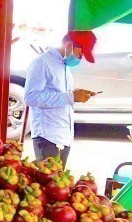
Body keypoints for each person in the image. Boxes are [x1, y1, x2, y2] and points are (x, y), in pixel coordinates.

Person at [24, 31, 98, 166]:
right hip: (48, 136)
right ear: (69, 45)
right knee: (49, 183)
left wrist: (75, 95)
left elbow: (61, 95)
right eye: (80, 54)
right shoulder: (42, 63)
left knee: (59, 183)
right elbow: (31, 97)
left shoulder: (64, 66)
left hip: (64, 135)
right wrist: (70, 96)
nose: (80, 59)